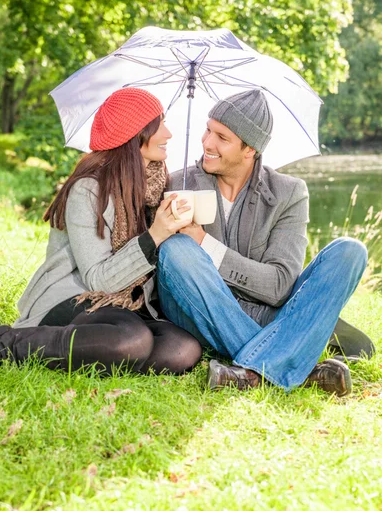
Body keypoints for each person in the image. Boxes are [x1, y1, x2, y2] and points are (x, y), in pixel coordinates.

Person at [155, 89, 374, 396]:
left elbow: (279, 286)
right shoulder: (177, 184)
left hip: (264, 309)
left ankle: (252, 372)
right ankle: (296, 361)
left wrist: (206, 244)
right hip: (198, 310)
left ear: (250, 149)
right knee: (177, 251)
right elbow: (168, 269)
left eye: (221, 137)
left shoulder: (289, 193)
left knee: (350, 251)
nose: (207, 143)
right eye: (208, 130)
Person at [0, 88, 202, 375]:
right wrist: (156, 235)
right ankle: (5, 342)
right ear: (135, 134)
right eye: (159, 124)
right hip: (75, 297)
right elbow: (99, 279)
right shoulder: (88, 189)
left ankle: (102, 351)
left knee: (182, 349)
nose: (168, 133)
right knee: (132, 340)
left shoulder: (156, 187)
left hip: (127, 305)